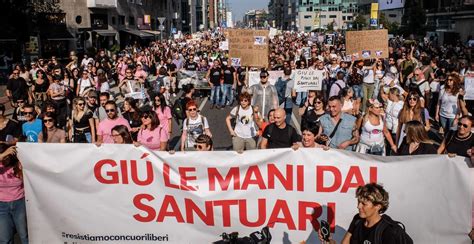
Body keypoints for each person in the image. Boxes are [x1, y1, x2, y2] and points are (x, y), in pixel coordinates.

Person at [319, 183, 403, 244]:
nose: (358, 206)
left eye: (364, 204)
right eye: (359, 202)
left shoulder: (388, 231)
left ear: (378, 206)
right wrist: (329, 241)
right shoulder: (357, 220)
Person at [0, 144, 28, 244]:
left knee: (24, 235)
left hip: (19, 203)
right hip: (1, 206)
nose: (7, 157)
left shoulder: (18, 165)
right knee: (4, 239)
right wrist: (3, 154)